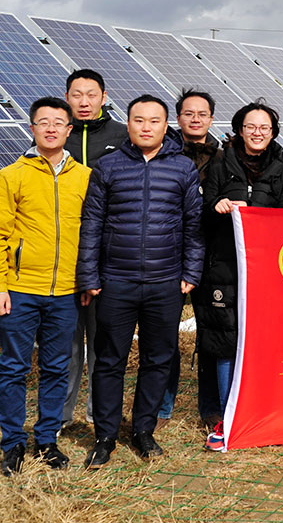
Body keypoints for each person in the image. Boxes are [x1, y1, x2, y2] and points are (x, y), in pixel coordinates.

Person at [77, 94, 204, 467]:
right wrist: (89, 274)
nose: (146, 127)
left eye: (154, 121)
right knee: (109, 360)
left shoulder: (182, 168)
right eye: (138, 120)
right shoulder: (108, 167)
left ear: (166, 126)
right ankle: (105, 435)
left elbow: (194, 226)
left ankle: (144, 430)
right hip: (116, 280)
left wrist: (191, 272)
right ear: (128, 124)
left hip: (166, 282)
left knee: (158, 357)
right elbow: (92, 224)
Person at [0, 96, 91, 476]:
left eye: (58, 123)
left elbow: (91, 234)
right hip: (20, 289)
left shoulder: (84, 177)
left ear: (69, 130)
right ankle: (12, 442)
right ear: (32, 128)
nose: (51, 128)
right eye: (43, 122)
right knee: (13, 368)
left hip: (66, 292)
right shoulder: (10, 176)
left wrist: (86, 280)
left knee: (57, 367)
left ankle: (46, 439)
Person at [196, 101, 283, 451]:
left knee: (265, 338)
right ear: (239, 130)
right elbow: (204, 210)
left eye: (264, 128)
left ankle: (263, 407)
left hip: (267, 268)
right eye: (251, 126)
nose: (257, 133)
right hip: (224, 266)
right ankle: (229, 415)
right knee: (226, 339)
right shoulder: (220, 163)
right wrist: (219, 207)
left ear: (273, 133)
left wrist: (253, 212)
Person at [61, 68, 128, 429]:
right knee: (66, 345)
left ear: (104, 96)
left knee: (104, 344)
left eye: (91, 94)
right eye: (77, 94)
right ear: (67, 98)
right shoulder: (57, 135)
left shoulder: (122, 136)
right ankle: (61, 416)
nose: (84, 102)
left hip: (111, 256)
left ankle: (99, 415)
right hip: (64, 255)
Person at [158, 89, 224, 431]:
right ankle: (161, 406)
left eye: (202, 114)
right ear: (178, 118)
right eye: (188, 113)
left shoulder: (224, 159)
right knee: (164, 334)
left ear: (211, 119)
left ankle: (211, 408)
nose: (195, 119)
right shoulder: (162, 155)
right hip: (169, 255)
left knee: (210, 332)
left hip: (213, 257)